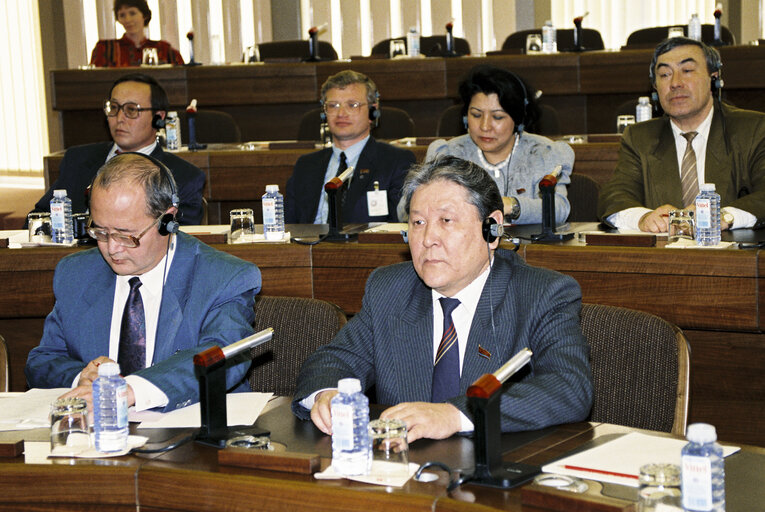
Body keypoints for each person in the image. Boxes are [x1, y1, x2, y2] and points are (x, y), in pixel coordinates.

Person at [292, 156, 592, 442]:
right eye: (418, 223)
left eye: (446, 220)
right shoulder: (390, 288)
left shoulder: (542, 294)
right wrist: (328, 395)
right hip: (404, 475)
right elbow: (333, 361)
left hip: (496, 476)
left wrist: (455, 415)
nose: (427, 239)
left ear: (492, 227)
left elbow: (569, 388)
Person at [25, 153, 260, 412]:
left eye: (126, 236)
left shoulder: (224, 277)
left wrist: (133, 390)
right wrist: (80, 375)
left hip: (191, 435)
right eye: (100, 232)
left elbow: (223, 356)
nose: (112, 248)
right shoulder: (76, 273)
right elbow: (42, 361)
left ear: (167, 221)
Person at [598, 37, 765, 232]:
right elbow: (614, 196)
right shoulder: (639, 138)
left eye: (687, 71)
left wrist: (723, 215)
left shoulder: (753, 129)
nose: (675, 83)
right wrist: (643, 218)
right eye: (665, 74)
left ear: (714, 77)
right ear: (655, 87)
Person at [30, 73, 205, 225]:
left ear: (158, 118)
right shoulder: (78, 159)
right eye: (114, 108)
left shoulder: (185, 177)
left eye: (131, 110)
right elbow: (38, 218)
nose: (119, 118)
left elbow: (180, 240)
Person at [421, 65, 574, 225]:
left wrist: (511, 205)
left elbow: (558, 210)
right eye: (476, 115)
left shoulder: (543, 153)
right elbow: (408, 208)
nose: (485, 126)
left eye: (498, 117)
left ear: (518, 120)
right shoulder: (447, 154)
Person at [284, 70, 416, 224]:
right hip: (309, 246)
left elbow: (399, 227)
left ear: (373, 111)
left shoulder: (396, 162)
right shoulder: (306, 165)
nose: (341, 113)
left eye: (352, 105)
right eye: (333, 105)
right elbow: (288, 227)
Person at [90, 0, 184, 68]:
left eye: (132, 13)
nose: (128, 20)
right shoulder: (105, 49)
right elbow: (94, 80)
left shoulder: (165, 49)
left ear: (145, 15)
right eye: (122, 15)